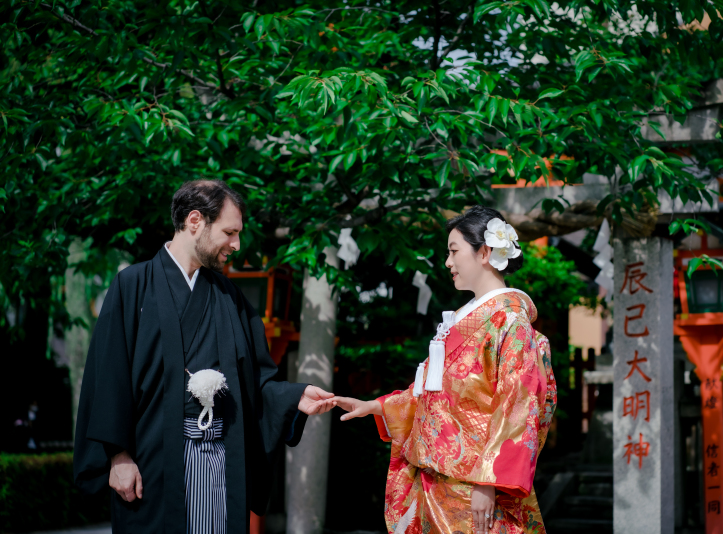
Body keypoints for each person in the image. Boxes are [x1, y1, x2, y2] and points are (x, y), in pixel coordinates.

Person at [73, 180, 336, 534]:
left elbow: (256, 380)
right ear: (195, 221)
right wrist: (118, 457)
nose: (236, 244)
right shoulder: (133, 286)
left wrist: (294, 397)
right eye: (229, 232)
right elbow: (108, 379)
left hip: (221, 462)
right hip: (153, 462)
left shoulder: (230, 297)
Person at [334, 206, 557, 534]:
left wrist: (489, 482)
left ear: (484, 252)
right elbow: (435, 392)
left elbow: (518, 406)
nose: (448, 263)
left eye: (454, 252)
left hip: (476, 486)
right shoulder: (466, 318)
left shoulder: (510, 321)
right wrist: (379, 406)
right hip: (438, 480)